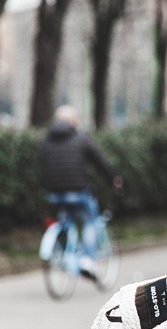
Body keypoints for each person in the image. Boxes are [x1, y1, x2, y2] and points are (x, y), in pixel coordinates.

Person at [42, 105, 122, 276]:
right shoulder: (81, 138)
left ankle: (63, 253)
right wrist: (113, 179)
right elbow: (99, 162)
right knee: (90, 219)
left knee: (64, 219)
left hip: (53, 194)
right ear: (71, 121)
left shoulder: (47, 140)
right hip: (77, 191)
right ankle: (87, 259)